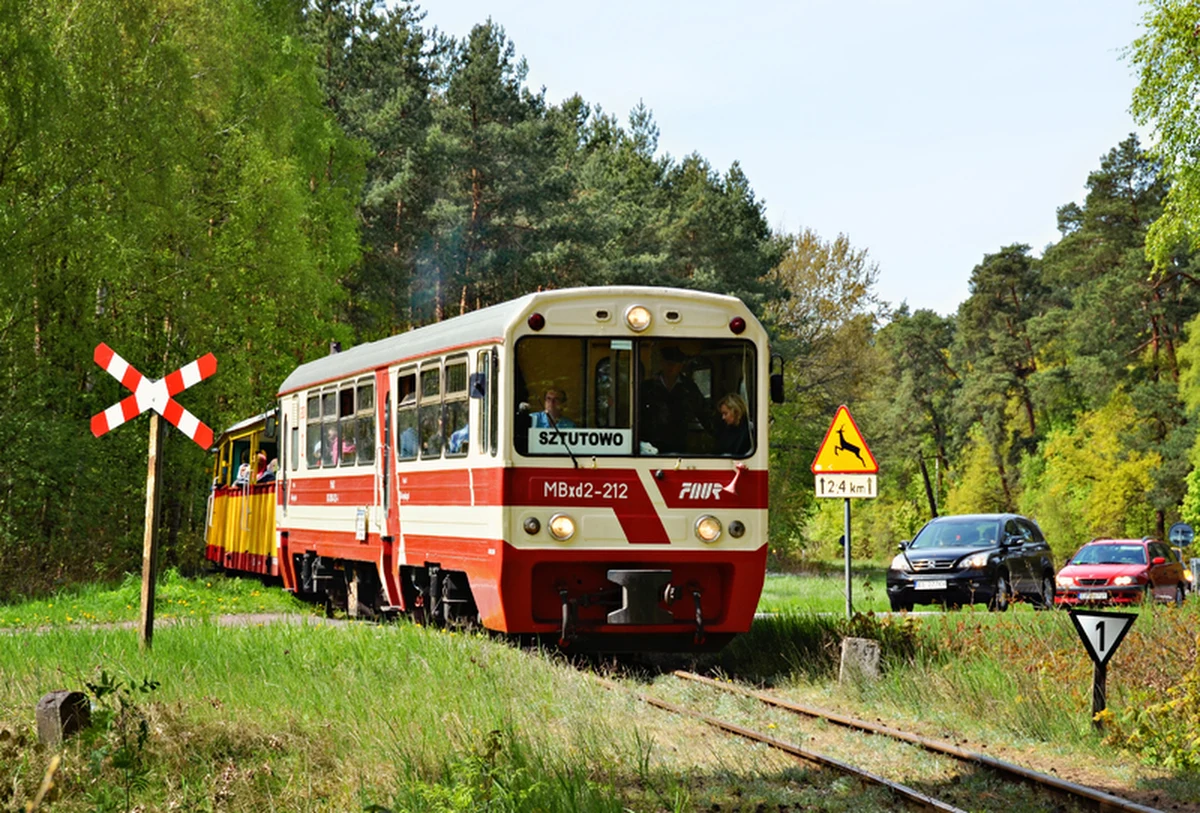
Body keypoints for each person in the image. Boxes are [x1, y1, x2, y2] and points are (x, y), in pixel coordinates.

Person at [640, 346, 709, 454]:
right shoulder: (648, 387)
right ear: (662, 363)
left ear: (680, 366)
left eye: (675, 364)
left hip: (679, 442)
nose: (671, 368)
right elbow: (637, 414)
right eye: (668, 363)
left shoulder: (689, 388)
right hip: (651, 444)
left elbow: (703, 412)